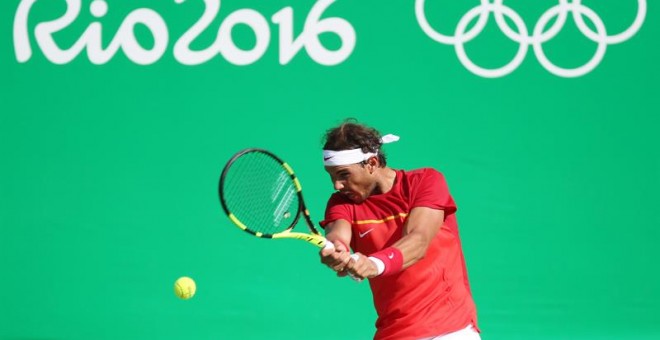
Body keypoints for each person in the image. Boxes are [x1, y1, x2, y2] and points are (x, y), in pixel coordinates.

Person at [318, 120, 480, 340]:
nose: (336, 185)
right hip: (393, 333)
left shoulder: (425, 182)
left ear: (372, 163)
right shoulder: (341, 202)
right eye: (331, 176)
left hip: (449, 328)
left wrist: (374, 264)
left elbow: (418, 240)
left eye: (343, 174)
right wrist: (336, 251)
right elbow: (338, 234)